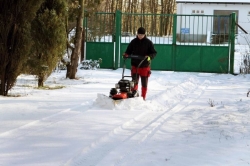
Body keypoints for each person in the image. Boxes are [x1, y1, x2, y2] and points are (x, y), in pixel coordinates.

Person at [123, 27, 157, 100]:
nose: (140, 36)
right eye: (139, 34)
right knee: (134, 82)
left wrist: (149, 57)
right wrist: (126, 54)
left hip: (144, 65)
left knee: (144, 83)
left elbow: (154, 52)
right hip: (135, 65)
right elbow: (128, 51)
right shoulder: (133, 42)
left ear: (144, 34)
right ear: (137, 34)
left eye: (142, 34)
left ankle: (143, 97)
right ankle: (133, 95)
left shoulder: (148, 42)